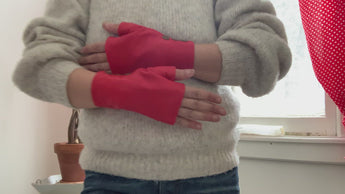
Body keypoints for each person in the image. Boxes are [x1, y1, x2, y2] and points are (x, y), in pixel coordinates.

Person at [12, 0, 291, 193]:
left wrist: (165, 52)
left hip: (210, 180)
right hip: (110, 182)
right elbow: (37, 68)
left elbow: (269, 54)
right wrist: (126, 93)